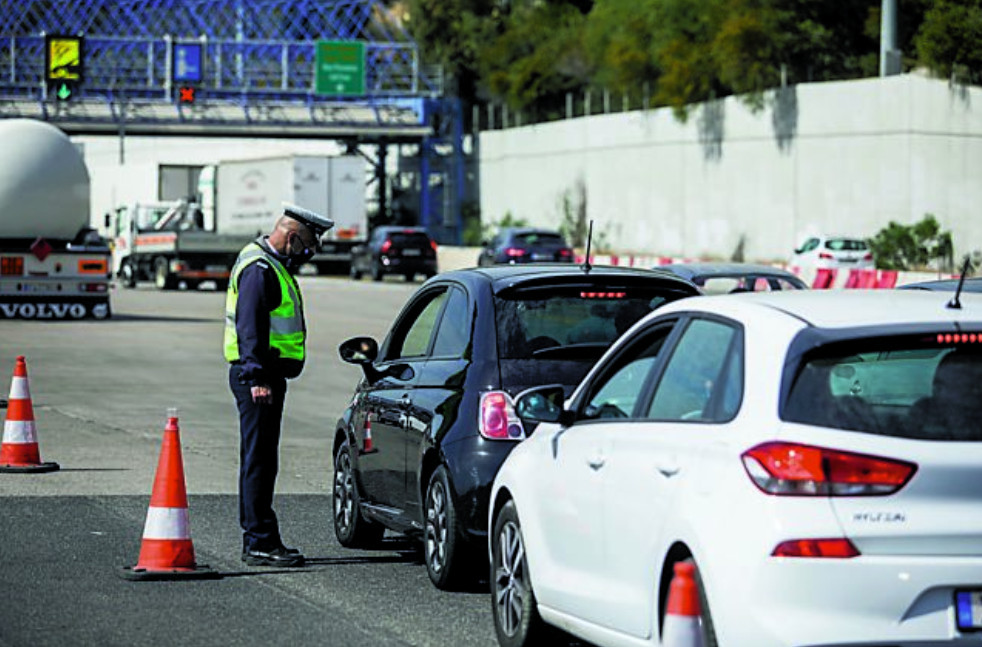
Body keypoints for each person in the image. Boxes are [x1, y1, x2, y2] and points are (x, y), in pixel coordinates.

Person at [224, 202, 333, 567]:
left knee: (263, 459)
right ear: (290, 236)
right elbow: (249, 327)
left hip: (266, 376)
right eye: (307, 245)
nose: (308, 253)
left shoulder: (270, 264)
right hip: (259, 378)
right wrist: (256, 377)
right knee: (259, 461)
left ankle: (260, 537)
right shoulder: (259, 269)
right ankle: (259, 541)